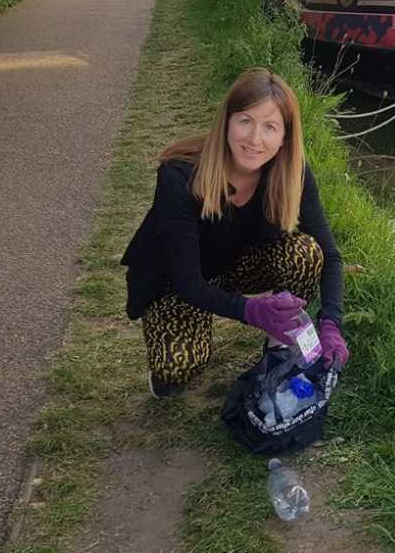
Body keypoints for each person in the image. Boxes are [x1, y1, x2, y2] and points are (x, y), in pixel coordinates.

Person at [121, 69, 349, 399]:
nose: (255, 139)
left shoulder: (293, 172)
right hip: (177, 281)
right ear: (227, 121)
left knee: (306, 252)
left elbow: (331, 256)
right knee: (176, 368)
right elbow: (187, 282)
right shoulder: (179, 176)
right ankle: (183, 345)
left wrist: (331, 324)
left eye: (270, 127)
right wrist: (251, 311)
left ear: (284, 137)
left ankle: (279, 343)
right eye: (245, 120)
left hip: (236, 268)